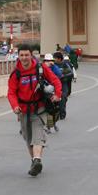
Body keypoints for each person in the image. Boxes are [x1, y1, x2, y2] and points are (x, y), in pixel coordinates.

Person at [8, 44, 62, 177]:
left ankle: (37, 159)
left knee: (38, 135)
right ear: (18, 56)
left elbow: (55, 80)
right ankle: (34, 161)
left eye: (27, 55)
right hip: (23, 111)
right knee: (28, 137)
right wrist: (15, 106)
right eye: (22, 55)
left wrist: (58, 94)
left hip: (39, 108)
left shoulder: (40, 68)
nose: (24, 58)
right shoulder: (16, 74)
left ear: (31, 55)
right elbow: (11, 93)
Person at [43, 53, 62, 133]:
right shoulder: (41, 68)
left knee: (55, 110)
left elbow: (59, 75)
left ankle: (53, 124)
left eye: (50, 61)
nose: (49, 62)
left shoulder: (54, 68)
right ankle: (49, 127)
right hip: (44, 91)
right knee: (48, 110)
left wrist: (53, 66)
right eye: (47, 61)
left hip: (54, 91)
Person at [53, 52, 73, 120]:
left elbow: (71, 73)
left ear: (59, 58)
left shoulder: (65, 64)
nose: (54, 59)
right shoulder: (53, 65)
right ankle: (53, 115)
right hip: (54, 84)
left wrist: (63, 76)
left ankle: (62, 114)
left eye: (55, 58)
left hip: (63, 84)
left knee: (63, 98)